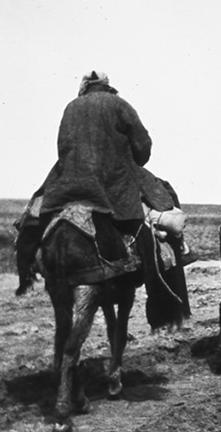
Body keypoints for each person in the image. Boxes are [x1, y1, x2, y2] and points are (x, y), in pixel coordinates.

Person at [15, 71, 193, 295]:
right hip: (113, 177)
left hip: (69, 176)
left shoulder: (71, 106)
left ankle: (28, 267)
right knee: (163, 196)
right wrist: (131, 157)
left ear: (85, 87)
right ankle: (173, 254)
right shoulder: (119, 104)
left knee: (34, 213)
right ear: (107, 86)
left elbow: (62, 145)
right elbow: (142, 147)